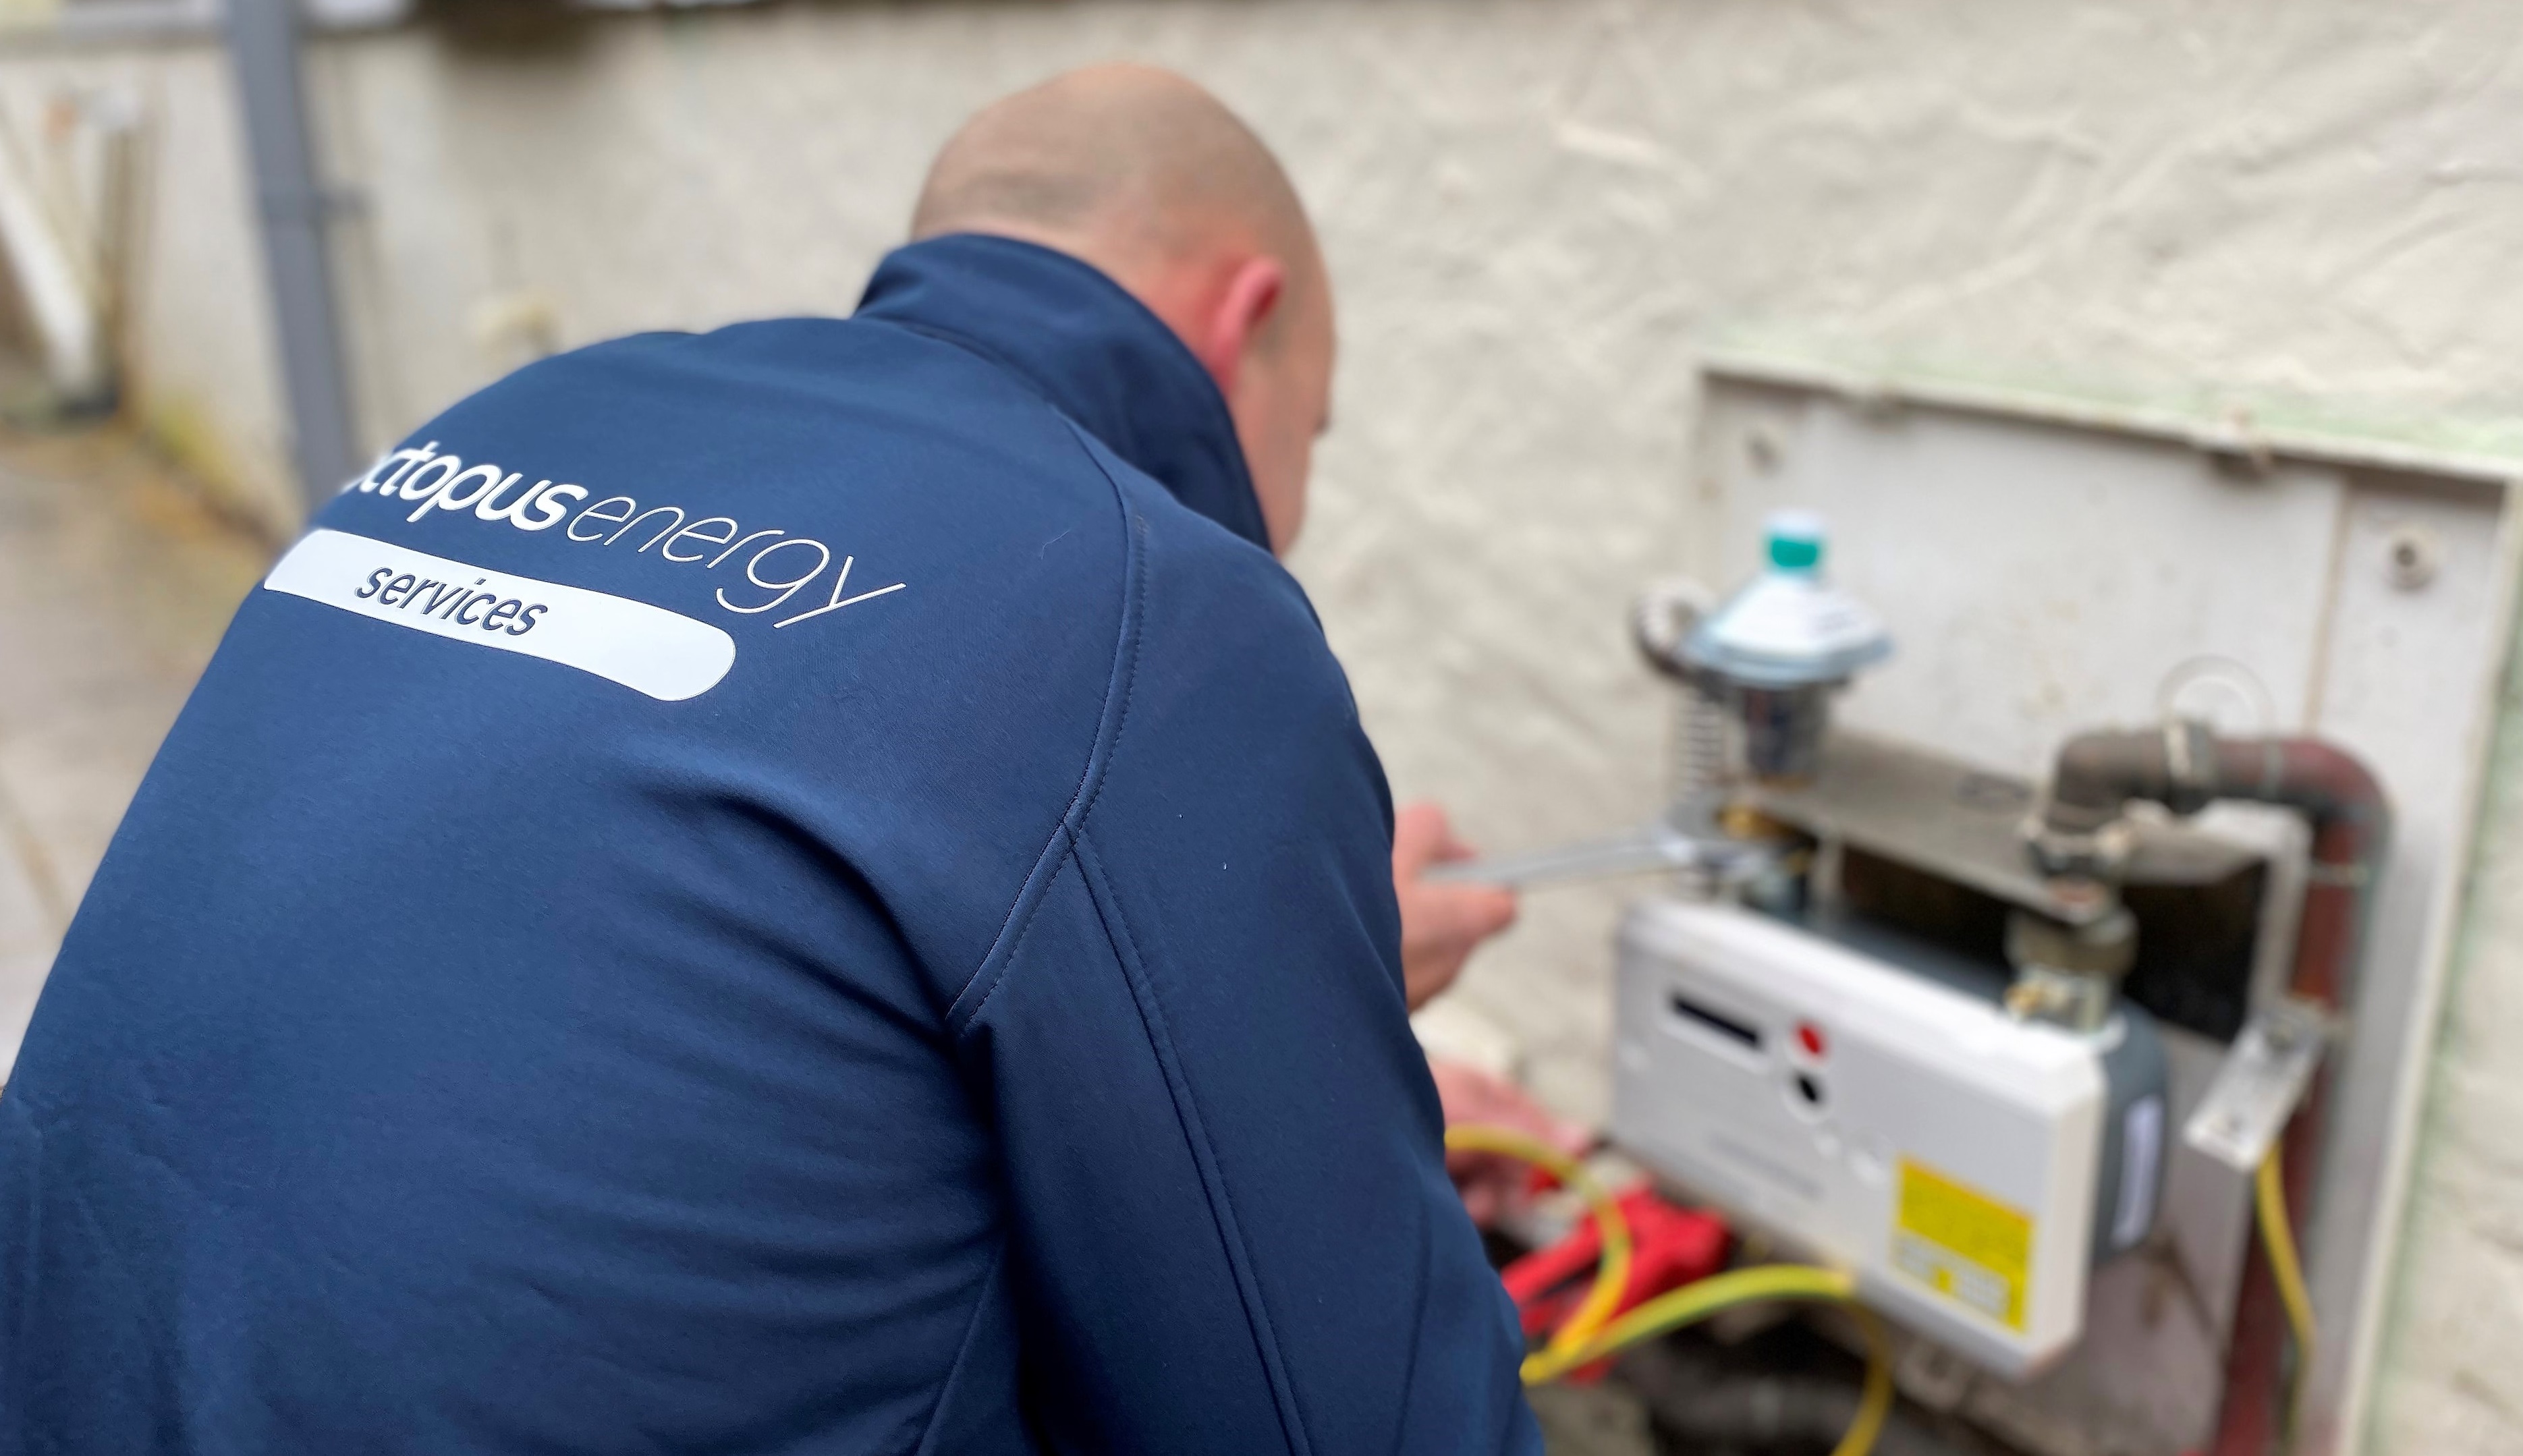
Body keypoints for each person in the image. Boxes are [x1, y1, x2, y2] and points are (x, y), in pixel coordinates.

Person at [1, 64, 1554, 1454]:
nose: (1294, 500)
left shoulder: (528, 416)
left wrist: (1290, 983)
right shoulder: (1158, 596)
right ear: (1247, 315)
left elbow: (666, 993)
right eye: (1317, 433)